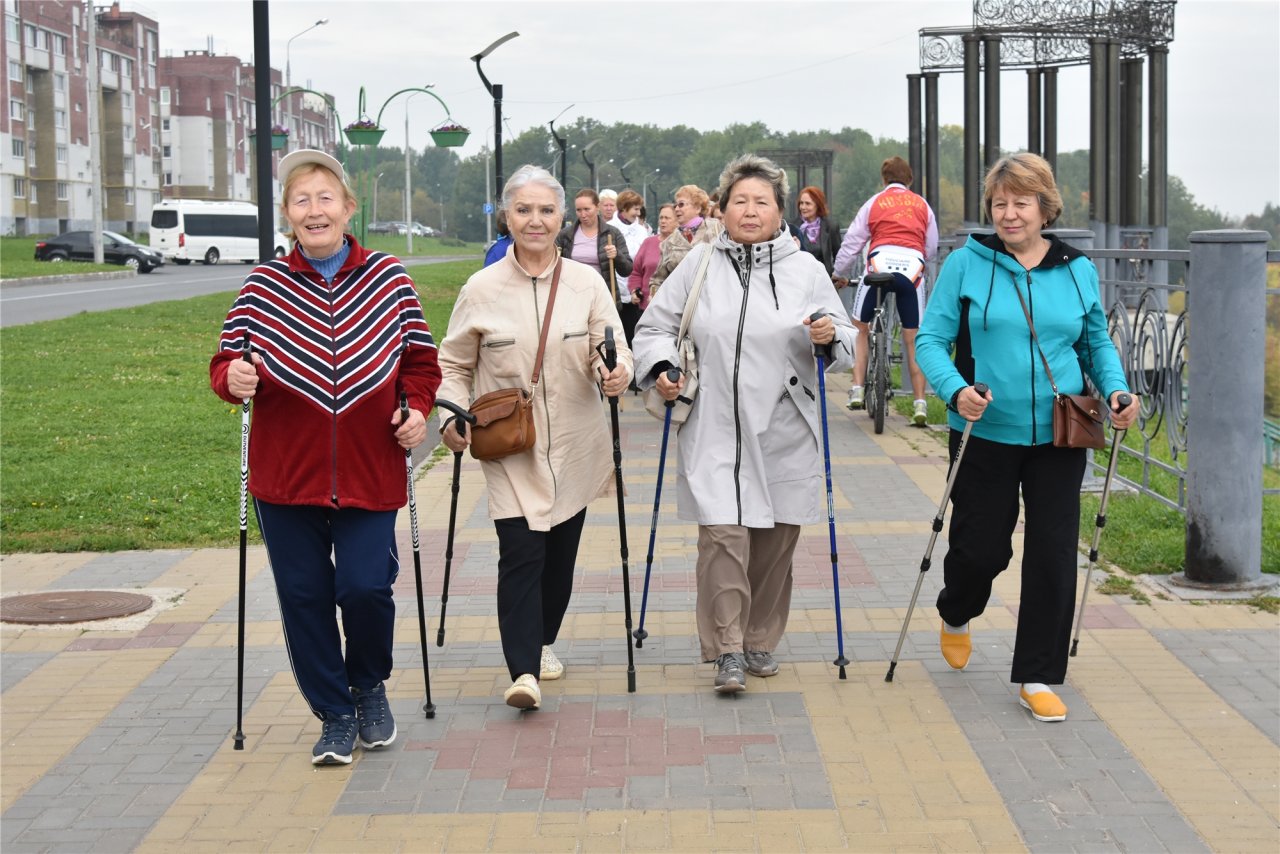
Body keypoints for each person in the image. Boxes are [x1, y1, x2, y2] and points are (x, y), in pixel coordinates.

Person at [209, 149, 441, 765]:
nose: (315, 210)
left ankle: (368, 685)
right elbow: (226, 364)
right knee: (305, 597)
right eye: (301, 200)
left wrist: (416, 408)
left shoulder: (389, 279)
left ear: (348, 207)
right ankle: (335, 712)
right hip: (286, 476)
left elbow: (421, 363)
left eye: (325, 197)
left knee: (366, 588)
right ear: (288, 215)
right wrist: (233, 378)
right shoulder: (262, 286)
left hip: (372, 466)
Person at [914, 152, 1139, 723]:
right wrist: (954, 390)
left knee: (1053, 552)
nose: (1009, 214)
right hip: (984, 429)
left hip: (1062, 434)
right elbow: (931, 343)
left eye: (1022, 203)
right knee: (979, 547)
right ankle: (956, 608)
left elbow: (1096, 345)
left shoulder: (1076, 269)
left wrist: (1116, 391)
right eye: (1000, 203)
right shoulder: (968, 262)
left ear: (1045, 207)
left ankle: (1037, 673)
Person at [633, 154, 855, 694]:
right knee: (724, 536)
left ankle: (759, 638)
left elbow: (846, 343)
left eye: (762, 202)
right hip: (713, 424)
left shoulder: (806, 271)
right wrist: (662, 369)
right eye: (740, 201)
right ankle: (727, 648)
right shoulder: (699, 264)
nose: (750, 211)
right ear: (723, 208)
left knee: (775, 540)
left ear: (780, 211)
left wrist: (827, 336)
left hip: (784, 425)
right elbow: (654, 328)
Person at [438, 165, 633, 711]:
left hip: (575, 442)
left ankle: (543, 638)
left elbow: (611, 346)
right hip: (511, 444)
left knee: (560, 561)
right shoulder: (480, 288)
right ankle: (523, 671)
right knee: (521, 552)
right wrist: (451, 413)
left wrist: (617, 372)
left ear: (562, 218)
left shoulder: (586, 283)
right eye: (523, 210)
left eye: (546, 210)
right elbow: (453, 362)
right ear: (507, 216)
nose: (535, 221)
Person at [833, 156, 939, 425]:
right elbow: (932, 247)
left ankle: (857, 387)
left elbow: (853, 243)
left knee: (860, 327)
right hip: (911, 268)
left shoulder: (874, 203)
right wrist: (922, 263)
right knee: (913, 338)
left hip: (879, 263)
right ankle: (920, 403)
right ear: (910, 179)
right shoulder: (922, 205)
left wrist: (838, 273)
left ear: (884, 179)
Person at [555, 188, 634, 302]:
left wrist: (617, 255)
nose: (583, 214)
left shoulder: (612, 233)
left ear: (597, 207)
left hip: (603, 297)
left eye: (587, 209)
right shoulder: (565, 235)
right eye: (579, 210)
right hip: (572, 297)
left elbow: (627, 270)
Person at [647, 184, 721, 298]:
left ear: (697, 208)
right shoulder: (668, 243)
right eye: (675, 205)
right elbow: (657, 280)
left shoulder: (716, 228)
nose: (676, 208)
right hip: (681, 304)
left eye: (681, 204)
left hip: (713, 299)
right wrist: (655, 297)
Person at [609, 189, 652, 346]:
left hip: (636, 293)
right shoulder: (609, 229)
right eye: (635, 208)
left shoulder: (642, 231)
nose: (638, 213)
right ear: (624, 208)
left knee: (634, 336)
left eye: (639, 208)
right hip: (617, 291)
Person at [630, 202, 677, 312]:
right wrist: (635, 290)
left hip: (672, 307)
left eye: (667, 218)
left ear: (677, 221)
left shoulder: (682, 245)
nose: (663, 221)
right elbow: (636, 272)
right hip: (647, 307)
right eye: (661, 218)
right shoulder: (648, 242)